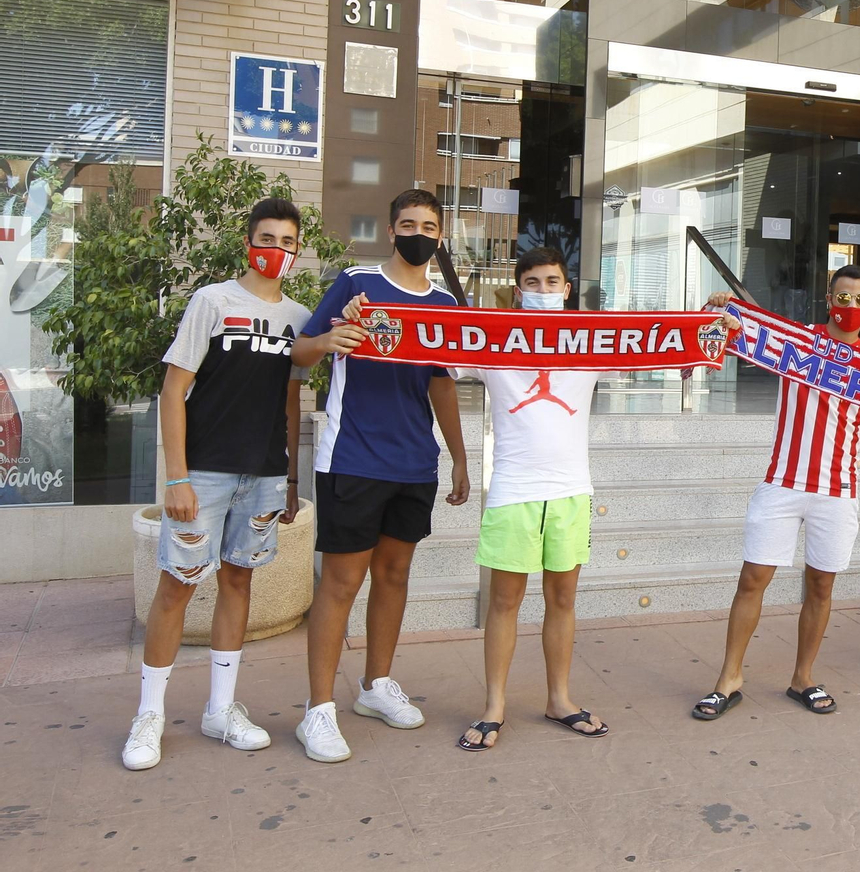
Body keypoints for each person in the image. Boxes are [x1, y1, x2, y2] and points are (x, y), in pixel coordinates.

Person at [122, 198, 310, 771]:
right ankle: (149, 715)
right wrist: (175, 477)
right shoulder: (213, 300)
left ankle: (221, 709)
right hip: (202, 473)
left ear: (298, 250)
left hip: (264, 474)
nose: (276, 249)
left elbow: (290, 396)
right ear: (247, 242)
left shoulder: (300, 318)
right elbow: (173, 390)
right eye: (266, 237)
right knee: (177, 587)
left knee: (238, 585)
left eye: (286, 241)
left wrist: (291, 477)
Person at [290, 189, 470, 762]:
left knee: (394, 575)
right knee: (341, 583)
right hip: (353, 458)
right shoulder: (354, 284)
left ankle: (375, 686)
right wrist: (325, 340)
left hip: (414, 463)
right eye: (408, 223)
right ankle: (318, 710)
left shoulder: (444, 306)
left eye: (429, 225)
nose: (418, 232)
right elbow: (299, 352)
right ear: (392, 231)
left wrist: (459, 454)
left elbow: (442, 382)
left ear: (439, 237)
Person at [691, 266, 860, 720]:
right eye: (843, 297)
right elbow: (737, 336)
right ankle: (728, 678)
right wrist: (722, 314)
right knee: (752, 579)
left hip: (837, 490)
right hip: (782, 483)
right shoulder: (796, 341)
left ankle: (803, 678)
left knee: (821, 585)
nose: (850, 307)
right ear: (827, 296)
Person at [456, 247, 608, 751]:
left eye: (552, 282)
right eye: (533, 283)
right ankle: (494, 705)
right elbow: (427, 344)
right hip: (514, 491)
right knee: (504, 602)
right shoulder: (491, 343)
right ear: (518, 291)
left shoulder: (592, 345)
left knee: (562, 600)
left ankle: (559, 698)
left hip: (570, 492)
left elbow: (666, 343)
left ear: (567, 290)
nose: (543, 291)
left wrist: (714, 318)